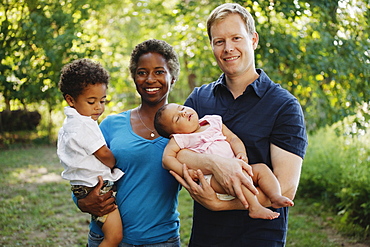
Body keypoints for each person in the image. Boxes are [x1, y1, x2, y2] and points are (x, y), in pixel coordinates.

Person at [170, 3, 308, 246]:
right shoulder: (198, 100)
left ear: (253, 40)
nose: (228, 48)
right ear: (212, 46)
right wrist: (214, 162)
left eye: (236, 38)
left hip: (259, 237)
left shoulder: (284, 105)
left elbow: (285, 189)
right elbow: (176, 152)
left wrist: (219, 203)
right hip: (206, 237)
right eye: (219, 41)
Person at [73, 39, 182, 247]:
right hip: (105, 239)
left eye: (159, 72)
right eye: (142, 72)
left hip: (161, 240)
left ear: (173, 77)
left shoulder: (185, 130)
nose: (150, 79)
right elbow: (80, 168)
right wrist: (81, 201)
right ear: (134, 77)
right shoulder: (111, 125)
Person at [154, 103, 294, 220]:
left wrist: (241, 153)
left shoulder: (213, 121)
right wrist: (187, 172)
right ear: (174, 133)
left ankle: (275, 196)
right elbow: (167, 159)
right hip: (213, 179)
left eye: (182, 108)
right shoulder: (181, 139)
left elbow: (233, 138)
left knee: (262, 169)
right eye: (177, 119)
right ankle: (254, 207)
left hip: (236, 165)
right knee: (239, 177)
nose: (183, 113)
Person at [57, 58, 124, 247]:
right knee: (114, 236)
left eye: (102, 101)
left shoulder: (69, 125)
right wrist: (115, 162)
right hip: (96, 188)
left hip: (82, 187)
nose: (99, 107)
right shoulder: (84, 124)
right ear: (70, 100)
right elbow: (103, 154)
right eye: (91, 101)